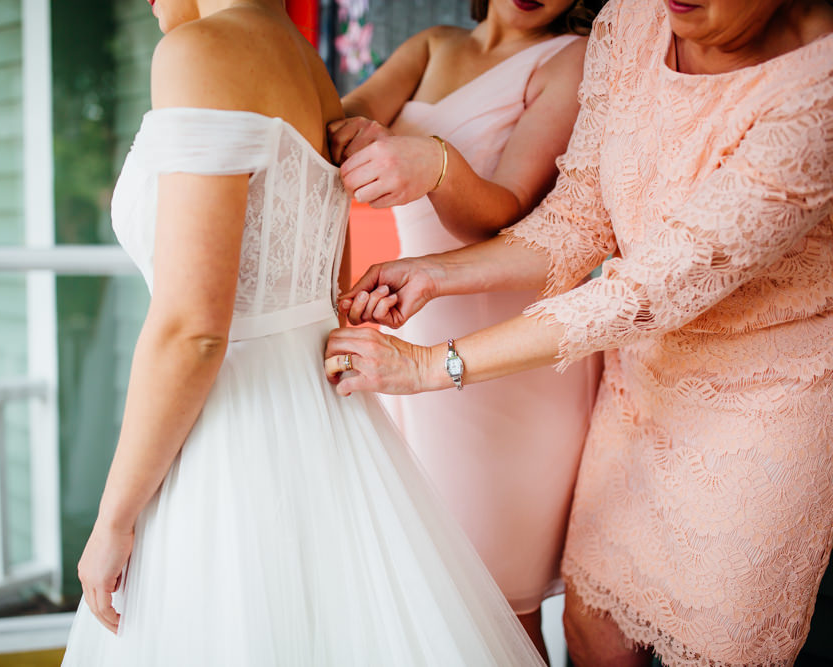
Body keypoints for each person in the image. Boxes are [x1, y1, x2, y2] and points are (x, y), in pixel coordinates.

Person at [324, 0, 833, 664]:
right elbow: (576, 217)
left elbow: (646, 288)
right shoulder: (635, 18)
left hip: (763, 412)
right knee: (591, 635)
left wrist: (431, 366)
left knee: (713, 649)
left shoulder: (818, 93)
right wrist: (432, 273)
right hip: (638, 390)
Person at [61, 0, 546, 664]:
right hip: (321, 415)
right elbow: (329, 283)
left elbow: (195, 330)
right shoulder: (306, 65)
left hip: (227, 434)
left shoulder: (199, 52)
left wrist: (112, 521)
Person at [326, 1, 601, 657]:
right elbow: (334, 122)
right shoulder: (431, 45)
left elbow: (501, 209)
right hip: (409, 326)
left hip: (507, 358)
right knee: (420, 587)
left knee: (497, 598)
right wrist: (354, 132)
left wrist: (436, 162)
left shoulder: (571, 60)